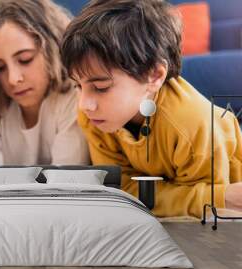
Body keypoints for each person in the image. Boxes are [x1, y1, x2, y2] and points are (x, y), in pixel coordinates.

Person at [60, 0, 242, 218]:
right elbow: (120, 190)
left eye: (100, 88)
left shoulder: (194, 125)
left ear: (154, 76)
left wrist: (207, 197)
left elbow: (205, 212)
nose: (84, 104)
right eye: (78, 86)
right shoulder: (95, 116)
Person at [0, 0, 90, 192]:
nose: (13, 79)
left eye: (25, 59)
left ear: (53, 48)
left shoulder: (76, 95)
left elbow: (64, 189)